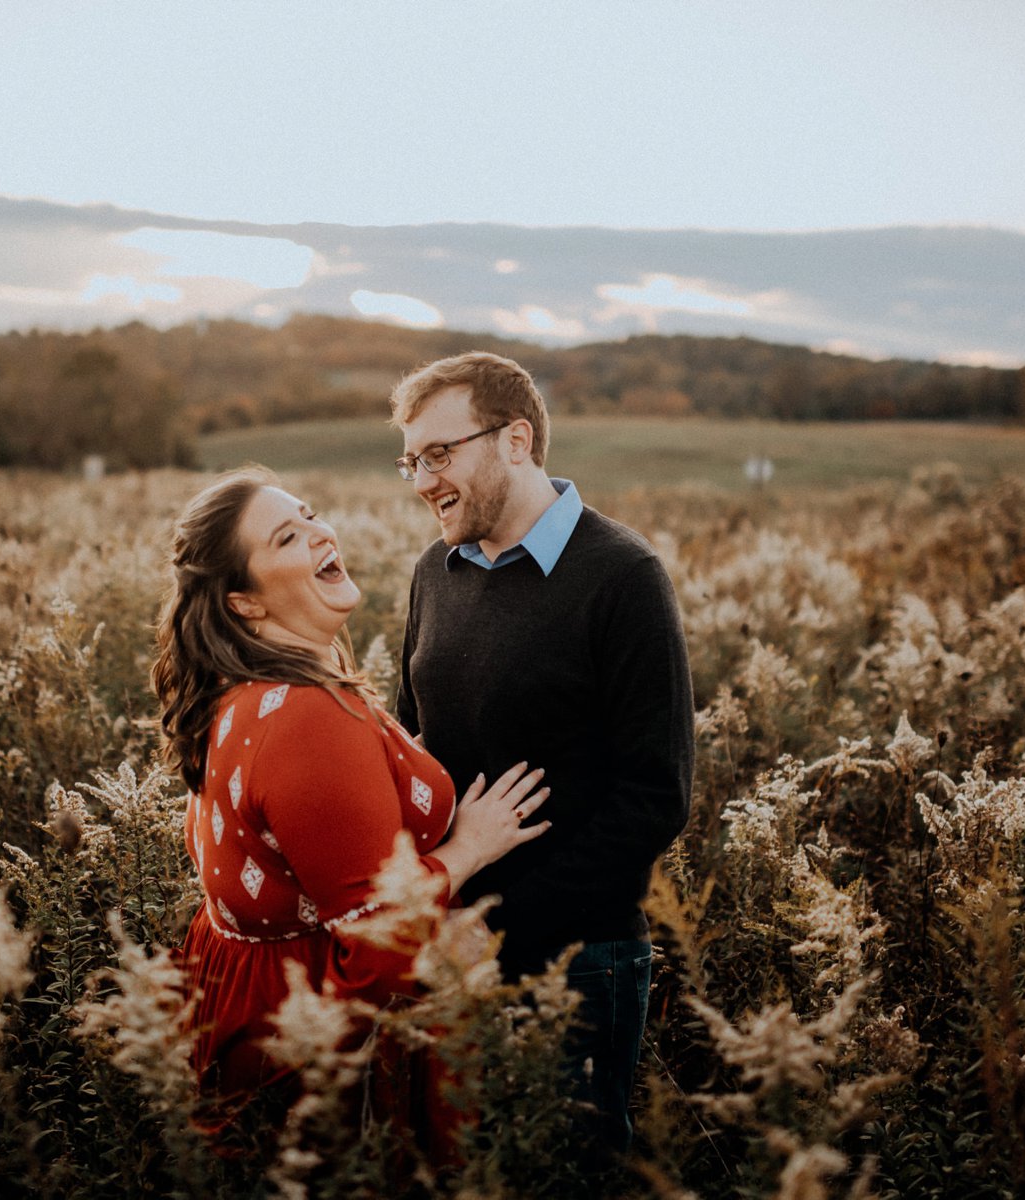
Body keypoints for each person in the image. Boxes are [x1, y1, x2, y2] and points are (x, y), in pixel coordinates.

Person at [151, 466, 551, 1140]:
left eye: (309, 514)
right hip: (315, 1029)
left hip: (250, 996)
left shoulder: (248, 680)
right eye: (286, 537)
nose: (318, 533)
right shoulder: (309, 715)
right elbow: (376, 937)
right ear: (245, 602)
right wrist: (470, 847)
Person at [391, 352, 694, 1154]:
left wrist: (497, 928)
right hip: (446, 952)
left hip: (578, 965)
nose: (422, 480)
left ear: (516, 440)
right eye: (412, 460)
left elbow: (654, 796)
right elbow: (410, 755)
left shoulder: (622, 576)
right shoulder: (435, 570)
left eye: (440, 454)